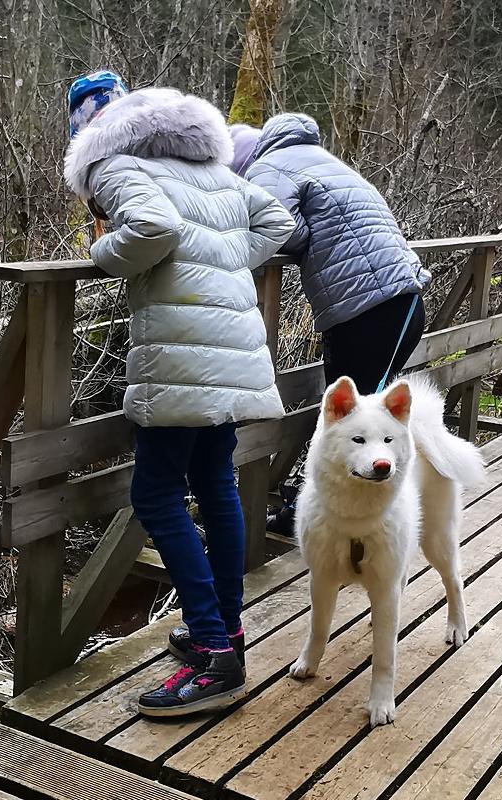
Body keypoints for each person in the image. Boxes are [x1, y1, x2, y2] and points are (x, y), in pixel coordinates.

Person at [64, 80, 296, 717]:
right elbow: (279, 220)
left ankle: (216, 654)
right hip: (231, 351)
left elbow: (155, 227)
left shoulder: (114, 164)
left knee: (155, 494)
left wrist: (103, 251)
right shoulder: (210, 168)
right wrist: (224, 259)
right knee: (215, 482)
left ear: (88, 134)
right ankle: (226, 633)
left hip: (179, 352)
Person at [231, 112, 430, 535]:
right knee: (344, 419)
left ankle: (352, 526)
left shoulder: (268, 168)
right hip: (389, 303)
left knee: (353, 424)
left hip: (375, 308)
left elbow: (280, 228)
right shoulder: (317, 157)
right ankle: (320, 515)